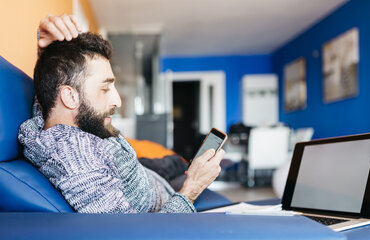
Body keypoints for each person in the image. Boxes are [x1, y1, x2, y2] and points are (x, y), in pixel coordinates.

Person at [18, 14, 224, 213]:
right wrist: (192, 189)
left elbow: (49, 88)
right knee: (185, 168)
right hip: (160, 193)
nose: (117, 101)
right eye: (105, 88)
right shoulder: (77, 160)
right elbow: (132, 234)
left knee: (176, 163)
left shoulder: (50, 114)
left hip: (145, 173)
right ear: (70, 97)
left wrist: (46, 51)